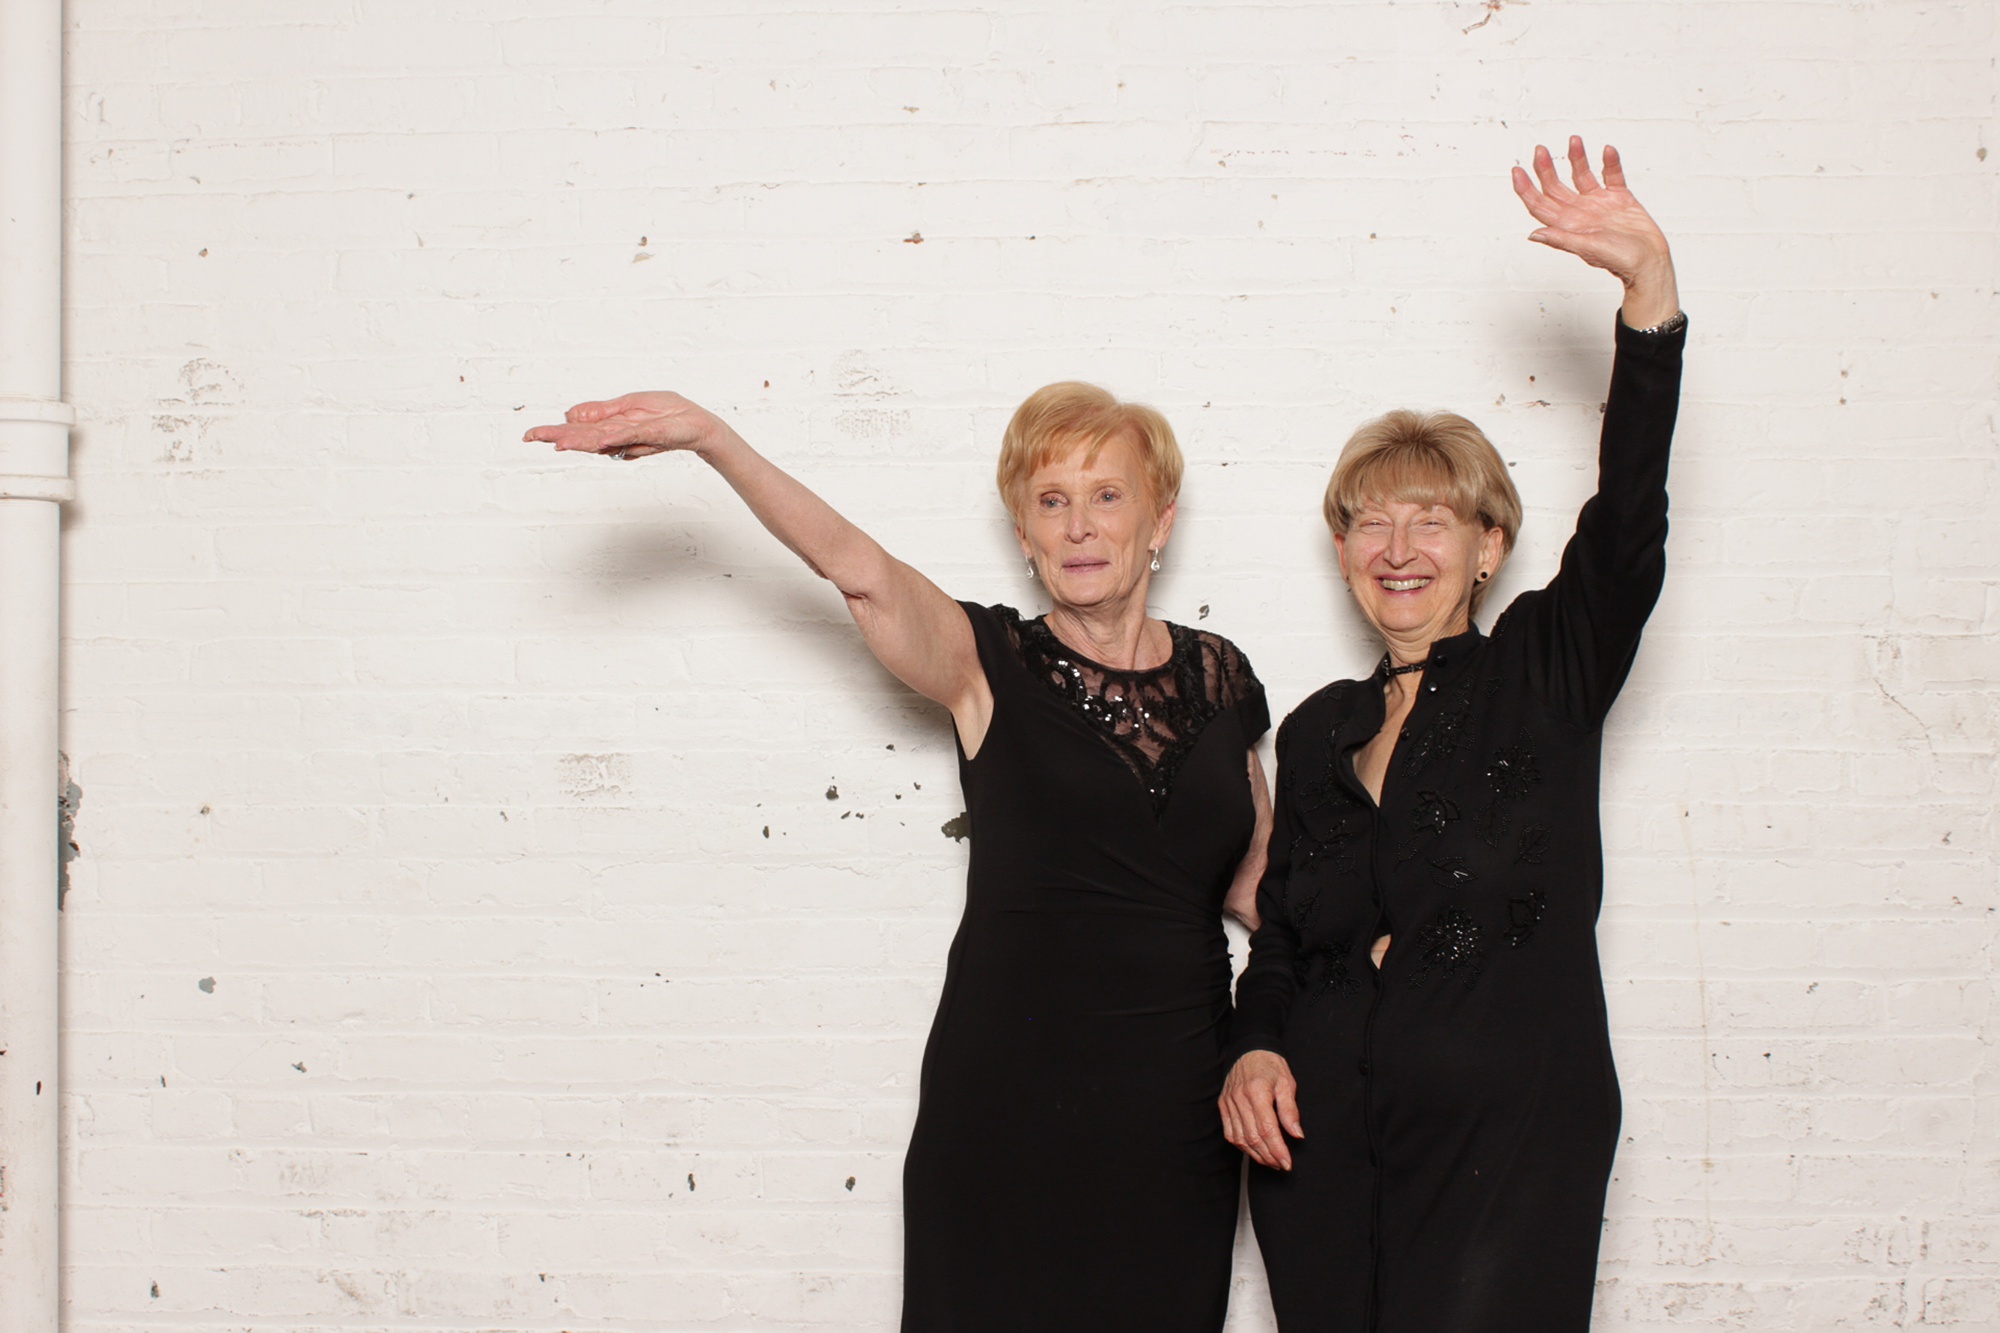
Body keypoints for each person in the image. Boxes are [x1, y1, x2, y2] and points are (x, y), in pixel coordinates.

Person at [526, 381, 1273, 1332]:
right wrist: (714, 440)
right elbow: (863, 572)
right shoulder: (987, 658)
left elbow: (1265, 888)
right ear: (1024, 533)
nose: (1080, 525)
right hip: (1008, 1099)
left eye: (1107, 495)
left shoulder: (1223, 675)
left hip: (1176, 1111)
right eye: (1051, 501)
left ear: (1160, 518)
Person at [1219, 137, 1687, 1332]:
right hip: (1318, 1144)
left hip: (1508, 1132)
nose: (1396, 547)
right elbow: (1278, 934)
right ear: (1340, 555)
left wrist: (1647, 301)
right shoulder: (1321, 726)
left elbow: (1627, 522)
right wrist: (1253, 1048)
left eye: (1430, 518)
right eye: (1367, 522)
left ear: (1488, 546)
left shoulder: (1546, 661)